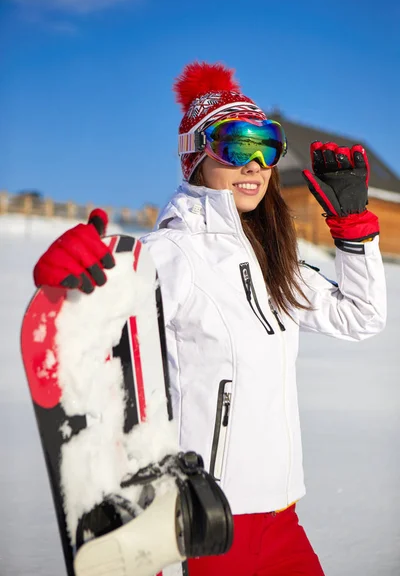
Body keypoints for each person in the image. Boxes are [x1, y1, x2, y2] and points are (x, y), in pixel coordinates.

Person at [33, 61, 386, 576]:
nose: (256, 164)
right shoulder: (171, 254)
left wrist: (352, 231)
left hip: (284, 519)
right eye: (237, 146)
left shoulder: (275, 260)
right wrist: (70, 284)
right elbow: (91, 331)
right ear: (197, 157)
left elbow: (361, 315)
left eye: (267, 147)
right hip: (212, 523)